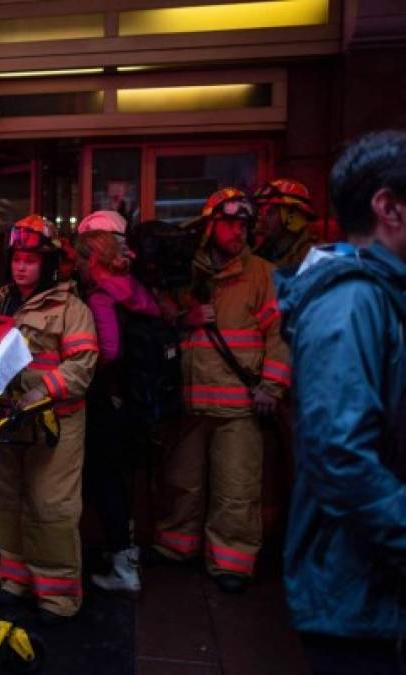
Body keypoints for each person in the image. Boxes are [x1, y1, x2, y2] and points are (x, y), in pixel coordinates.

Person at [276, 130, 405, 674]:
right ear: (389, 207)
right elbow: (339, 453)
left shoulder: (378, 296)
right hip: (355, 592)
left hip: (373, 589)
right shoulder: (350, 303)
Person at [151, 188, 291, 594]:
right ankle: (176, 546)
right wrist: (185, 316)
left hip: (239, 406)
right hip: (190, 401)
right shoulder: (186, 274)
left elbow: (281, 335)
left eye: (244, 224)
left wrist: (272, 386)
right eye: (230, 223)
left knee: (237, 489)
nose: (238, 231)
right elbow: (161, 323)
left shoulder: (262, 274)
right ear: (211, 225)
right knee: (181, 481)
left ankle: (231, 562)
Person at [0, 215, 98, 623]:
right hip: (7, 422)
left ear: (48, 264)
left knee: (52, 506)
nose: (21, 266)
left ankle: (57, 597)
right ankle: (15, 581)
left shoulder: (72, 309)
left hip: (55, 423)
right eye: (16, 258)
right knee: (8, 500)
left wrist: (38, 392)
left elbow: (81, 368)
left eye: (31, 259)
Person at [75, 229, 162, 597]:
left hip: (110, 403)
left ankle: (123, 565)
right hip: (137, 399)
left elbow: (108, 350)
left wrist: (81, 365)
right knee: (121, 481)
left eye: (79, 259)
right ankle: (127, 557)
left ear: (92, 260)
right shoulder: (134, 288)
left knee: (104, 480)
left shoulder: (101, 296)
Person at [253, 178, 319, 269]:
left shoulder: (314, 257)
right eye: (260, 212)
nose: (261, 219)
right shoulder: (260, 253)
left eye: (269, 212)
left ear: (292, 216)